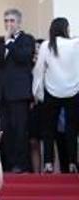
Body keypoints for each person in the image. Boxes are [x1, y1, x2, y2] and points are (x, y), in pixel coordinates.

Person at [0, 8, 35, 172]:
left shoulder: (27, 39)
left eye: (11, 21)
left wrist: (10, 42)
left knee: (20, 130)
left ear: (19, 22)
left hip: (19, 94)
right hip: (3, 95)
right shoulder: (4, 43)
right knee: (7, 131)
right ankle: (9, 164)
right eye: (6, 21)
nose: (8, 24)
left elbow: (24, 57)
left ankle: (22, 165)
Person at [33, 17, 79, 174]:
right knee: (71, 128)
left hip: (52, 91)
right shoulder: (75, 44)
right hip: (73, 90)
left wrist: (37, 92)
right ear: (66, 29)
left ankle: (48, 163)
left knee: (48, 129)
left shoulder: (47, 45)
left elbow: (39, 69)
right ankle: (73, 162)